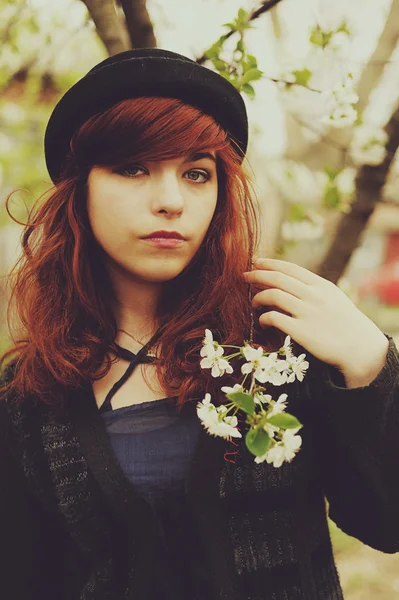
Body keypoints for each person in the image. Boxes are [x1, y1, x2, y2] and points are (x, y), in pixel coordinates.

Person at [1, 48, 399, 600]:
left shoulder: (276, 343)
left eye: (195, 174)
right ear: (80, 188)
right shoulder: (30, 391)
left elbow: (385, 523)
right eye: (133, 168)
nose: (171, 201)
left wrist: (369, 365)